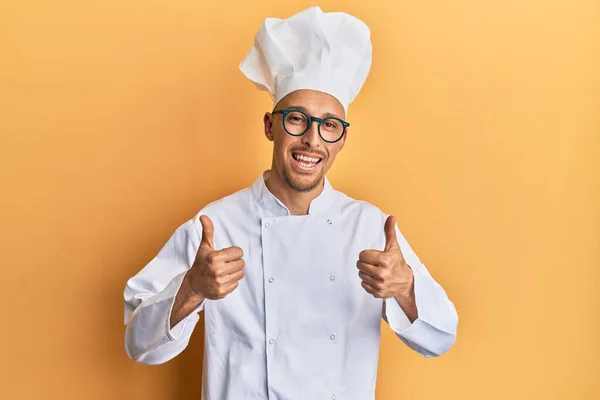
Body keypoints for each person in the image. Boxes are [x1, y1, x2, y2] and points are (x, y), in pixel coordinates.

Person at [123, 6, 458, 400]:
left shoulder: (369, 227)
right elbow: (139, 345)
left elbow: (440, 339)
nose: (312, 141)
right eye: (297, 119)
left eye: (329, 125)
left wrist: (405, 288)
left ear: (341, 139)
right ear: (270, 125)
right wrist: (191, 289)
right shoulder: (214, 226)